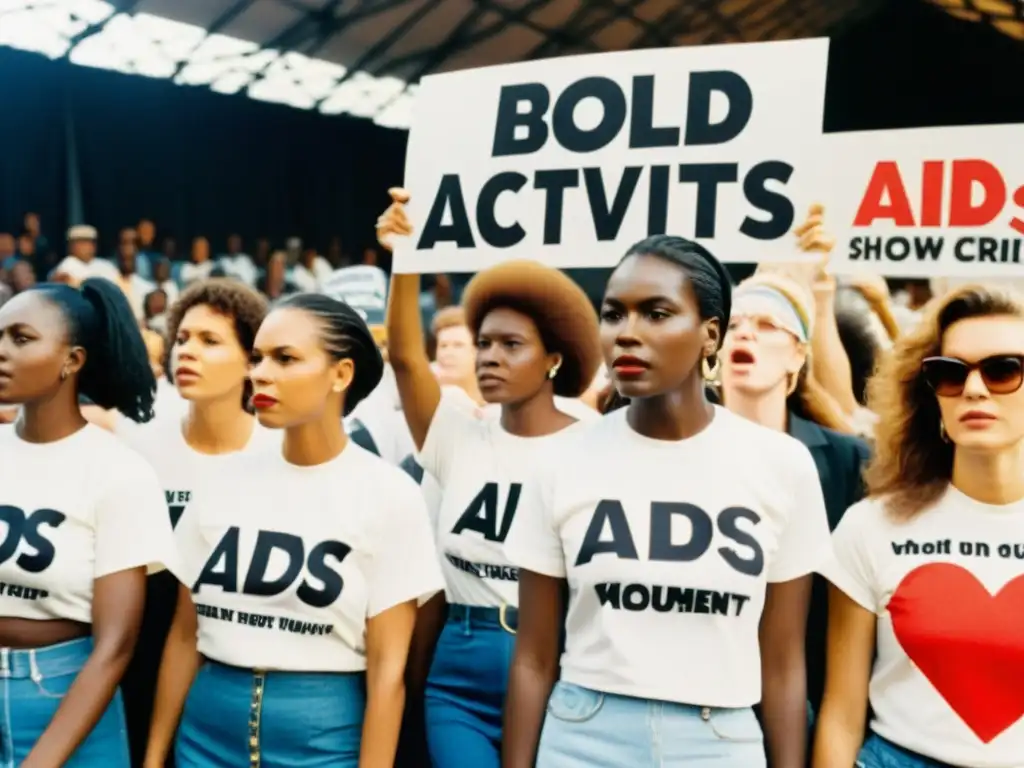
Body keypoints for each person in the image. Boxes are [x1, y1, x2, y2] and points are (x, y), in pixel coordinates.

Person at [503, 235, 831, 768]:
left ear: (710, 335)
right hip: (582, 735)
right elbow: (534, 657)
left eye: (656, 313)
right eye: (613, 314)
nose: (627, 334)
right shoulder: (559, 461)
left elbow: (783, 662)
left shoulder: (782, 465)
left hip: (721, 740)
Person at [147, 293, 444, 767]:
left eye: (285, 359)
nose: (261, 373)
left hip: (324, 739)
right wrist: (155, 756)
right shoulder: (220, 482)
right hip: (204, 734)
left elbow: (389, 674)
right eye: (259, 357)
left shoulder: (389, 494)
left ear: (341, 374)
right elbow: (184, 636)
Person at [377, 187, 602, 768]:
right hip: (459, 668)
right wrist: (406, 256)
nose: (489, 357)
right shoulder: (455, 433)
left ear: (553, 359)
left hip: (562, 662)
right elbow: (404, 356)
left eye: (511, 345)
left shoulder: (594, 448)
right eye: (482, 344)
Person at [814, 284, 1024, 768]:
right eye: (949, 374)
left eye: (1003, 370)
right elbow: (841, 714)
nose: (974, 389)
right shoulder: (872, 526)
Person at [0, 278, 174, 765]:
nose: (2, 350)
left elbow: (115, 646)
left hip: (69, 697)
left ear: (72, 360)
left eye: (21, 337)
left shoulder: (119, 472)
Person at [120, 279, 272, 767]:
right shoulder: (139, 450)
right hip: (138, 650)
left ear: (252, 360)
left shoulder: (275, 456)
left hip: (233, 655)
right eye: (182, 338)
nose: (187, 351)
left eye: (210, 341)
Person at [718, 271, 871, 719]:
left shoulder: (850, 461)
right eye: (733, 326)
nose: (745, 332)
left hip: (810, 687)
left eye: (767, 326)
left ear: (798, 355)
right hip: (711, 686)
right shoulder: (676, 448)